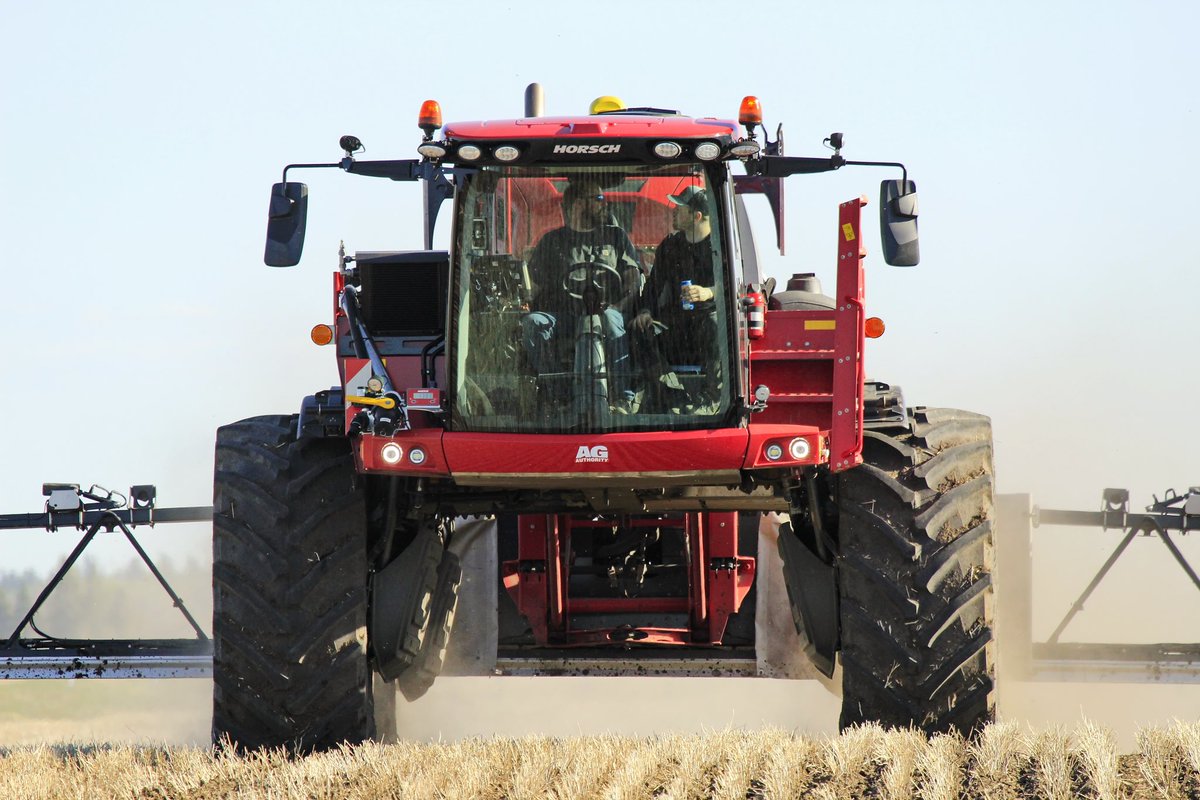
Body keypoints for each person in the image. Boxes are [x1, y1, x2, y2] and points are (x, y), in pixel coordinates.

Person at [521, 182, 640, 405]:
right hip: (564, 317)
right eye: (598, 200)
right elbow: (532, 288)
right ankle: (558, 394)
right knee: (532, 323)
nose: (604, 205)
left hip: (608, 312)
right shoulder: (551, 241)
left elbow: (633, 281)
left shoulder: (616, 237)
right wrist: (522, 296)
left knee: (610, 320)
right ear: (577, 204)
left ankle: (623, 398)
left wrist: (620, 306)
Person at [632, 184, 722, 412]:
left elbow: (733, 287)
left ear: (696, 216)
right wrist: (645, 311)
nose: (673, 210)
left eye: (680, 208)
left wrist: (708, 292)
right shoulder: (670, 245)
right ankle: (671, 391)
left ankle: (710, 399)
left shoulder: (720, 247)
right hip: (676, 324)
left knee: (715, 326)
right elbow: (653, 285)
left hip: (707, 321)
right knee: (641, 330)